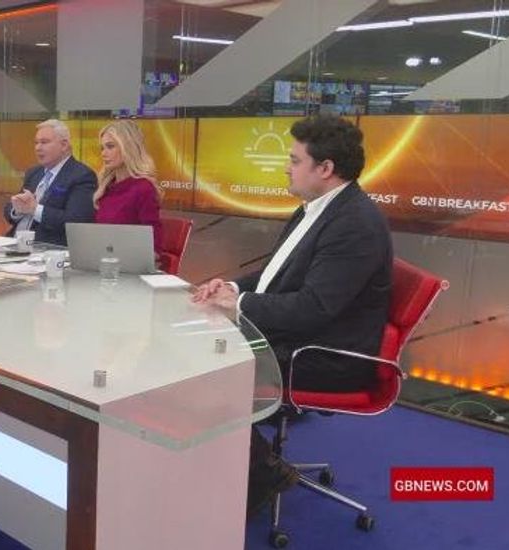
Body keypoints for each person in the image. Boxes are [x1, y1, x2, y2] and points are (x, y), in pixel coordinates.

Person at [191, 114, 393, 516]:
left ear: (325, 168)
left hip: (323, 354)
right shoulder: (315, 209)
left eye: (295, 160)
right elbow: (276, 274)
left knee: (200, 373)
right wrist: (232, 287)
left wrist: (239, 306)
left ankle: (260, 471)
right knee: (193, 352)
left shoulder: (354, 225)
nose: (287, 167)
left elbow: (313, 309)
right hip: (297, 336)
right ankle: (245, 462)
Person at [5, 119, 97, 246]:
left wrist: (35, 209)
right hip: (14, 243)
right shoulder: (33, 172)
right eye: (36, 143)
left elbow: (75, 222)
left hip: (45, 250)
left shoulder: (82, 176)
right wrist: (18, 210)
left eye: (44, 142)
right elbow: (9, 208)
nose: (38, 148)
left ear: (64, 145)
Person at [93, 120, 164, 265]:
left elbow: (154, 249)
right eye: (102, 148)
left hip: (128, 269)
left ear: (128, 147)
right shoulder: (106, 188)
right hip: (104, 263)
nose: (104, 153)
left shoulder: (143, 188)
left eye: (110, 146)